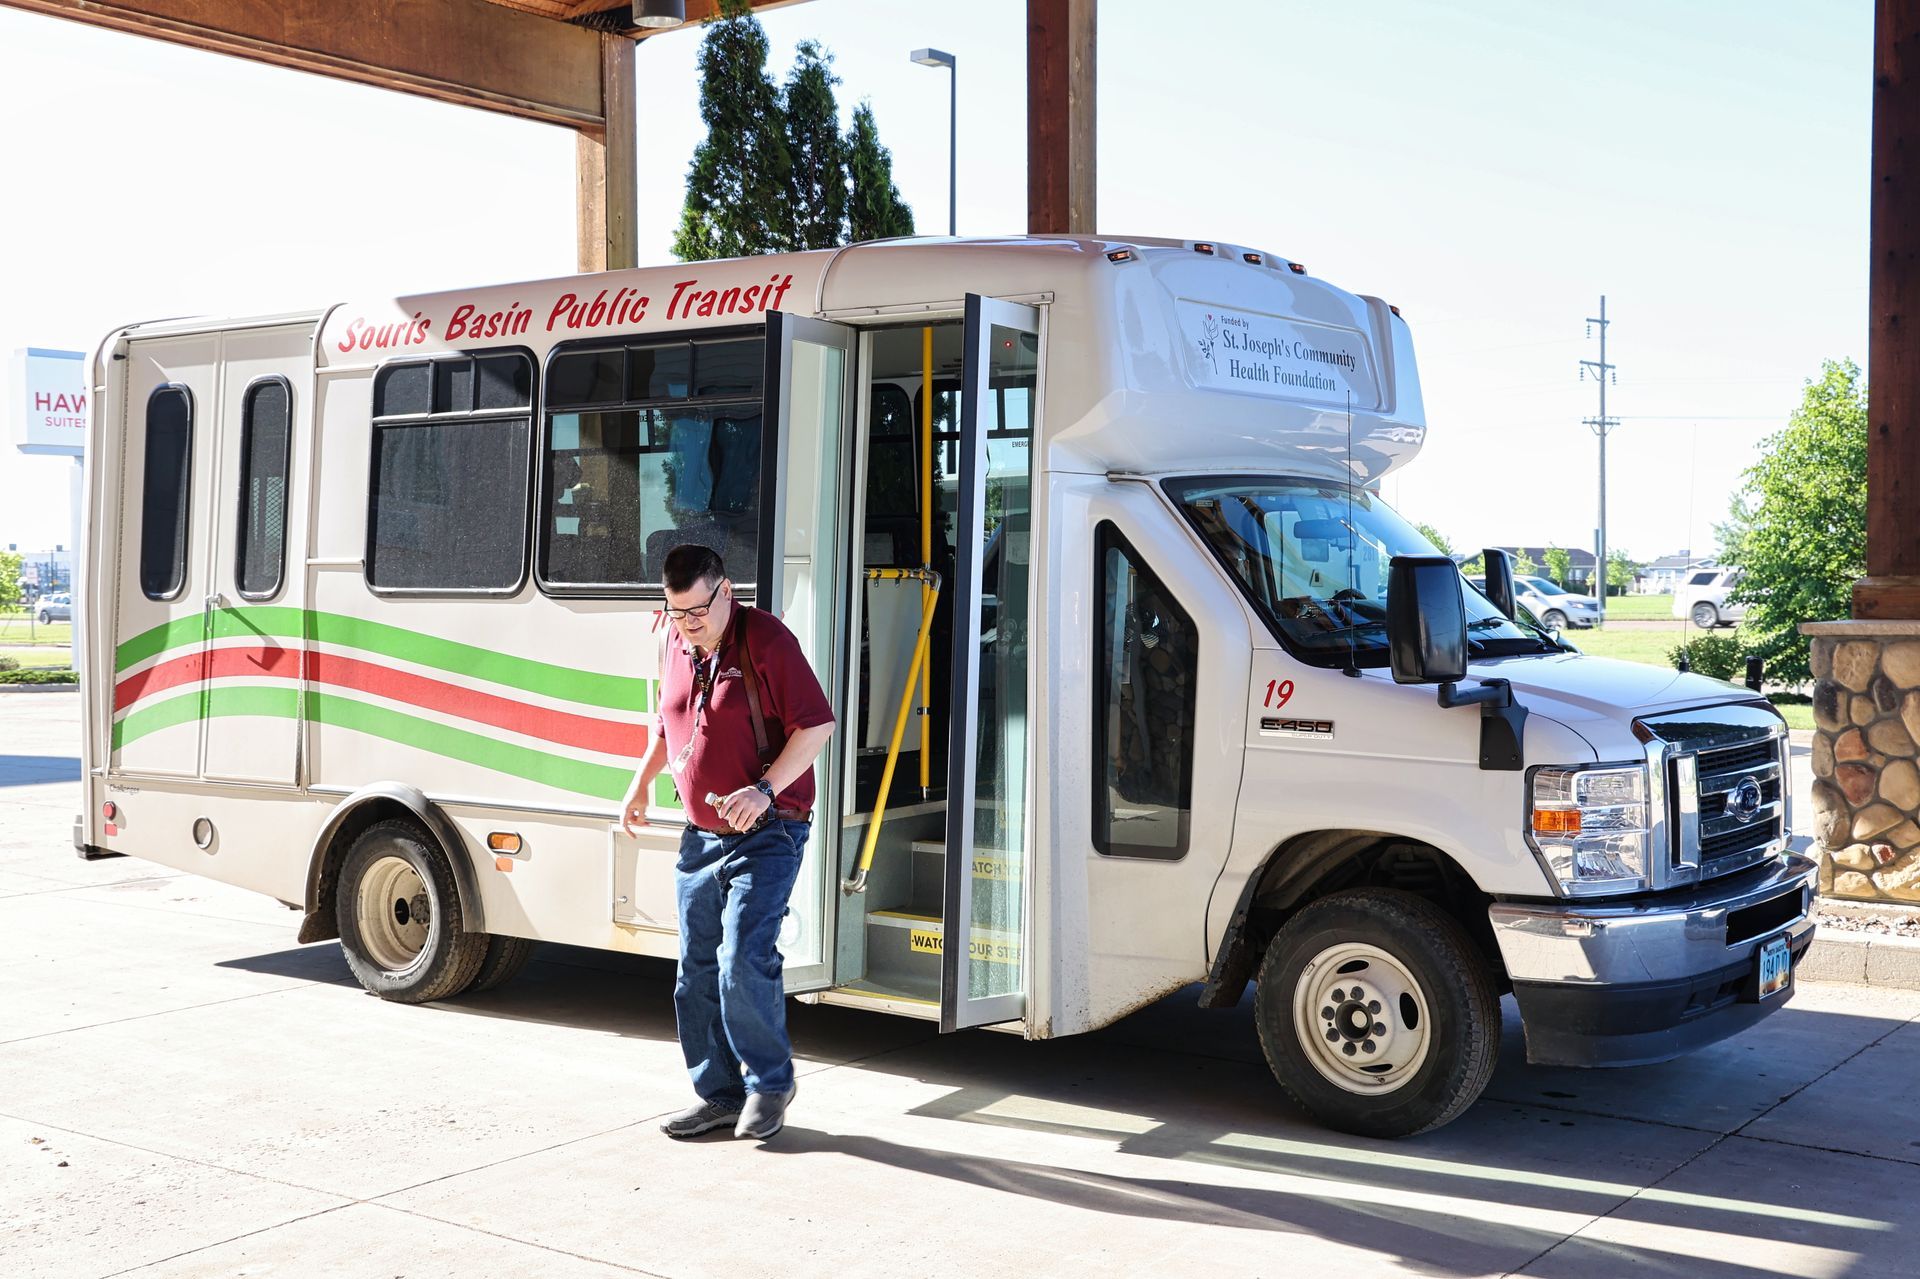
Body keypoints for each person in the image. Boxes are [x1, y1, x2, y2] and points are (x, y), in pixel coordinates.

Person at [619, 544, 835, 1141]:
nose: (688, 624)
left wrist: (765, 790)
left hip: (769, 832)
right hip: (700, 837)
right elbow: (669, 722)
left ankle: (770, 1082)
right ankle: (718, 1094)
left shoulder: (766, 639)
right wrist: (639, 785)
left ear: (726, 591)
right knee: (694, 973)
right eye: (675, 611)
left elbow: (816, 725)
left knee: (742, 960)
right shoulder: (675, 639)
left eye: (697, 611)